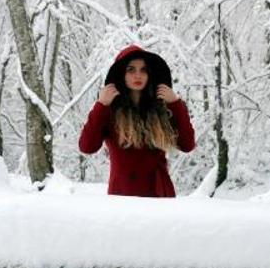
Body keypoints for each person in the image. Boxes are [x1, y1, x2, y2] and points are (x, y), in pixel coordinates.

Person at [78, 45, 195, 197]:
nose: (138, 75)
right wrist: (101, 105)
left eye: (143, 70)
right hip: (123, 195)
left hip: (159, 196)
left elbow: (187, 145)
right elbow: (87, 147)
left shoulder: (161, 109)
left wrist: (175, 104)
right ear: (122, 74)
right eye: (131, 70)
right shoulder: (110, 111)